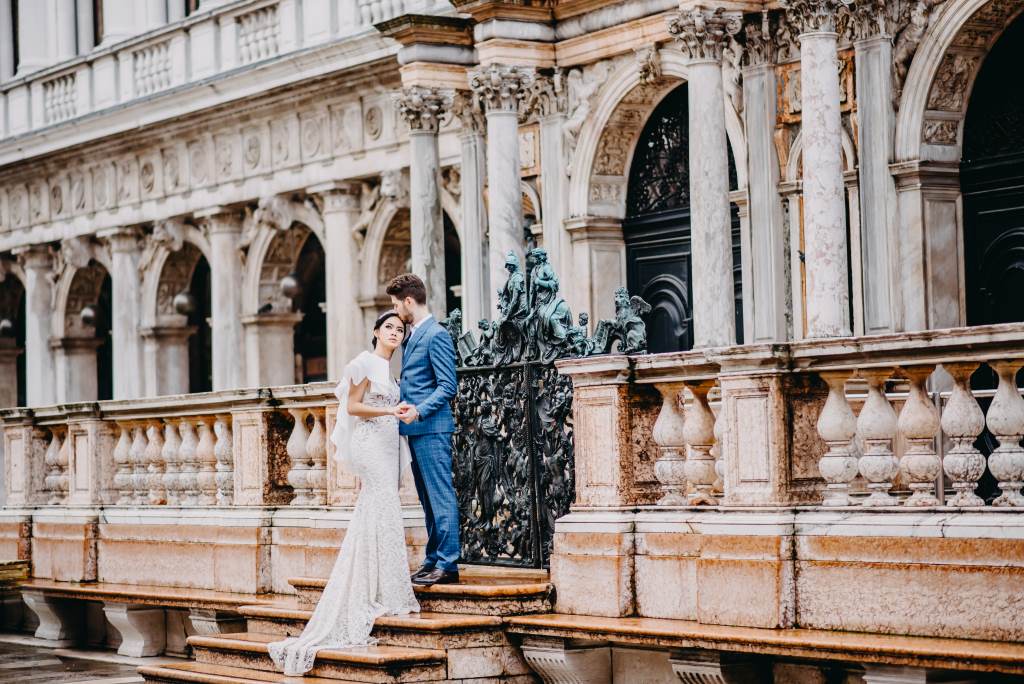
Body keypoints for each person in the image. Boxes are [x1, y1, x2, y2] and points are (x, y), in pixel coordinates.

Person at [267, 310, 420, 676]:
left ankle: (382, 583)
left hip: (387, 442)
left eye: (399, 329)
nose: (395, 333)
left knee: (381, 509)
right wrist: (389, 413)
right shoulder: (364, 363)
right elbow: (351, 407)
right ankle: (387, 590)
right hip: (371, 444)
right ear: (375, 332)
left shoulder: (390, 370)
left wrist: (395, 412)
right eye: (389, 328)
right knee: (382, 503)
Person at [386, 273, 461, 586]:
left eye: (395, 305)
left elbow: (447, 386)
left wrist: (418, 409)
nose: (395, 312)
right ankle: (433, 559)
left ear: (408, 301)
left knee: (440, 496)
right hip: (415, 431)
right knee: (428, 501)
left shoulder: (436, 334)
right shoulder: (414, 335)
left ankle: (448, 563)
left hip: (432, 428)